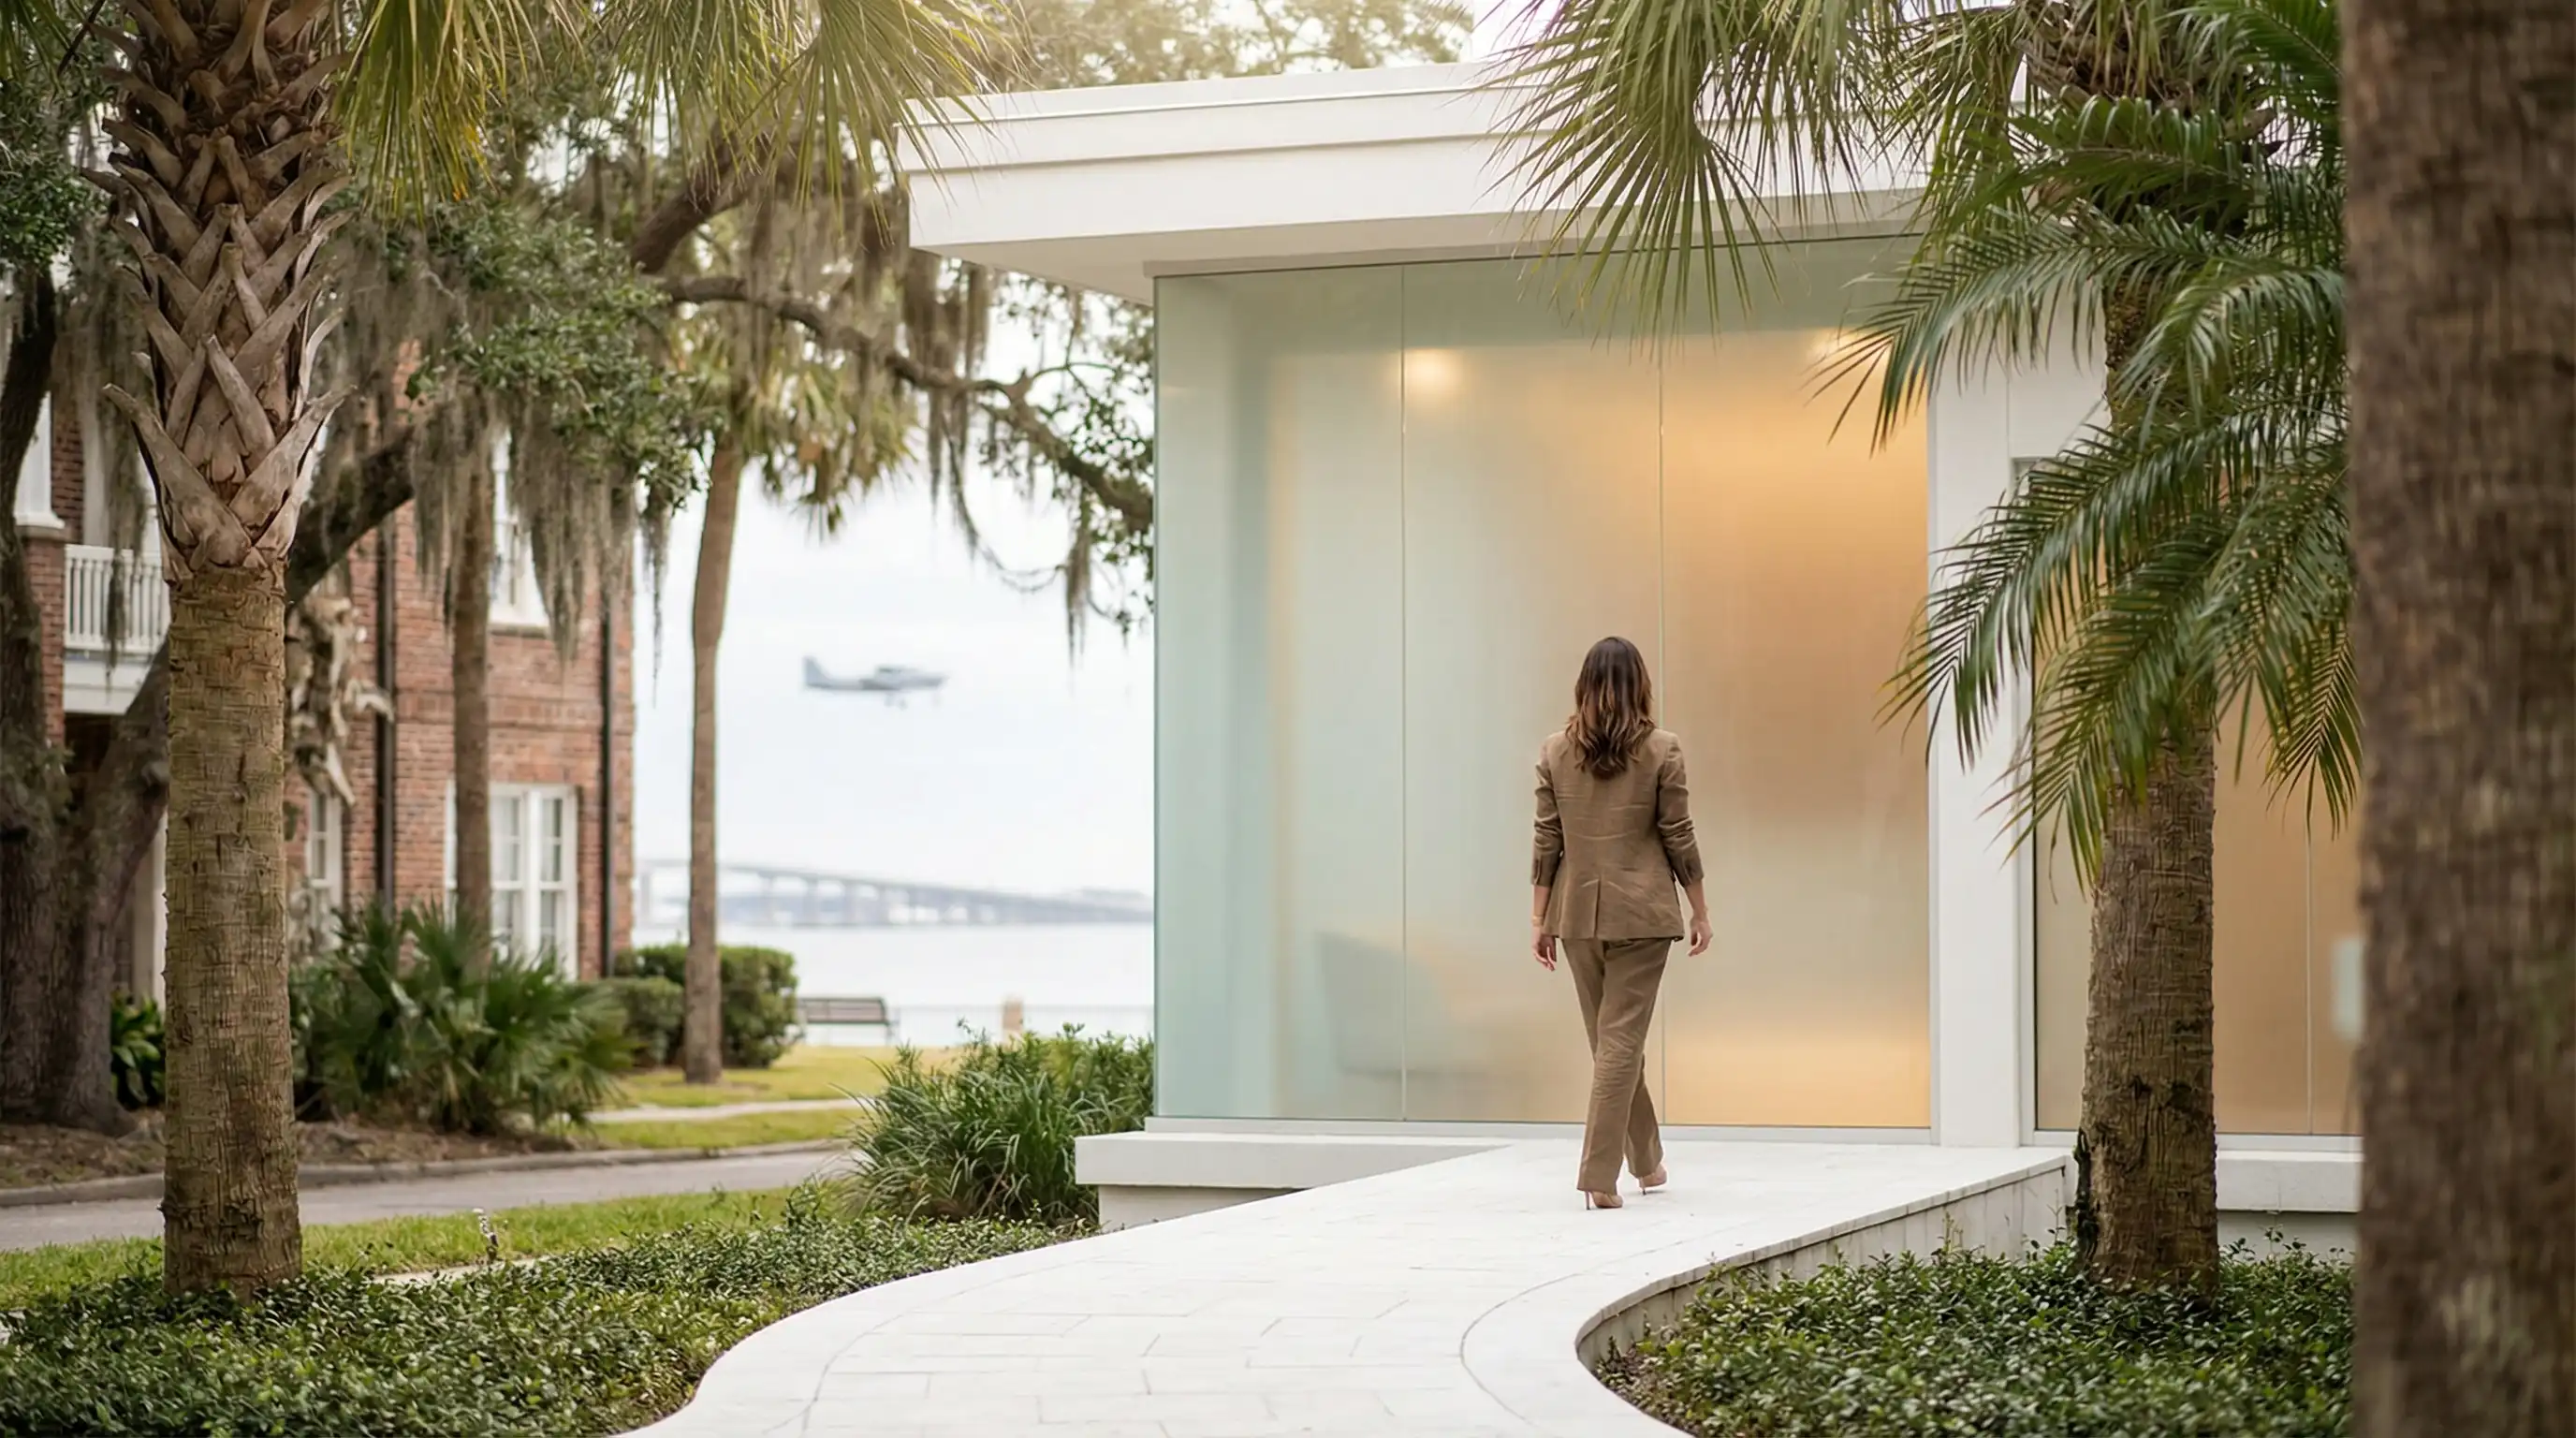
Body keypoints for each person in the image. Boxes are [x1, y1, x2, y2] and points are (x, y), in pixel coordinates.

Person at [1530, 636, 1711, 1210]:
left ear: (1583, 685)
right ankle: (1598, 1176)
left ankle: (1647, 1162)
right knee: (1619, 1045)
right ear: (1641, 686)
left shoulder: (1556, 750)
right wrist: (1700, 908)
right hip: (1643, 912)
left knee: (1612, 1045)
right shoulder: (1662, 749)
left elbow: (1547, 839)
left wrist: (1539, 917)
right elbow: (1678, 833)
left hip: (1577, 914)